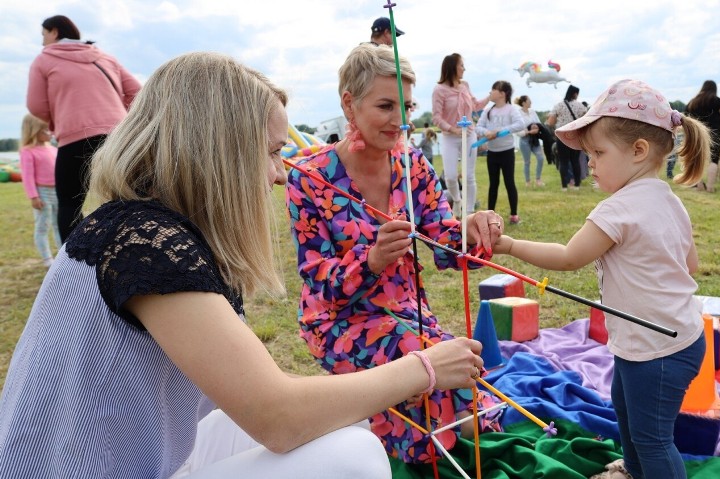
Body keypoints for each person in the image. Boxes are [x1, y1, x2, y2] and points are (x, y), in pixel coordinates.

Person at [0, 52, 488, 479]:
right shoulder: (148, 247)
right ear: (221, 151)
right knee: (354, 455)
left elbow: (445, 245)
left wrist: (475, 233)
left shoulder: (136, 228)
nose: (279, 174)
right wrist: (424, 367)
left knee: (346, 419)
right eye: (273, 152)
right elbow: (277, 418)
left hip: (139, 454)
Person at [286, 44, 504, 465]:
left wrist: (473, 229)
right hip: (339, 319)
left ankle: (424, 432)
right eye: (386, 105)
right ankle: (409, 444)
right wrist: (372, 259)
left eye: (408, 106)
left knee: (465, 375)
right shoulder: (309, 178)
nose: (401, 120)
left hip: (408, 312)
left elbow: (447, 243)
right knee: (425, 381)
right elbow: (318, 280)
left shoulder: (412, 164)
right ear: (349, 104)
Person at [494, 79, 710, 479]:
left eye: (598, 152)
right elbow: (691, 264)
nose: (589, 162)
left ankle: (642, 465)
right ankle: (632, 469)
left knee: (653, 439)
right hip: (673, 338)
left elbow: (568, 257)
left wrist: (508, 245)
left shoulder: (618, 209)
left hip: (656, 351)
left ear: (638, 151)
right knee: (624, 407)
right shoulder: (668, 199)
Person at [27, 15, 140, 242]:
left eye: (43, 35)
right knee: (130, 199)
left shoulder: (44, 60)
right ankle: (135, 254)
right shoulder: (105, 57)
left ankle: (74, 267)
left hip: (74, 139)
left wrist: (60, 120)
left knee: (69, 204)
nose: (42, 42)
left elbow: (36, 106)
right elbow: (137, 92)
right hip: (117, 138)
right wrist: (118, 118)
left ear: (55, 32)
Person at [432, 52, 490, 216]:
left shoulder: (465, 85)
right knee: (450, 176)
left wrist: (489, 98)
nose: (464, 69)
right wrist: (452, 129)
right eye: (461, 65)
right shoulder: (439, 90)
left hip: (469, 134)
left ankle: (469, 212)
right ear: (453, 67)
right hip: (450, 136)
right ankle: (457, 200)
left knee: (469, 175)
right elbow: (436, 117)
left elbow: (475, 105)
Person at [477, 81, 525, 224]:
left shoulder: (511, 109)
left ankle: (514, 215)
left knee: (509, 182)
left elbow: (520, 124)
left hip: (507, 152)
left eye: (493, 90)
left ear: (503, 94)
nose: (490, 92)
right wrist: (487, 132)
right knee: (493, 184)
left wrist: (501, 131)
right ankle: (489, 215)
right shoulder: (488, 110)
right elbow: (478, 127)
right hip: (492, 152)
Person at [18, 113, 61, 267]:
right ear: (35, 131)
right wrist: (33, 196)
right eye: (46, 130)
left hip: (57, 192)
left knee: (59, 224)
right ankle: (47, 259)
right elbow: (27, 176)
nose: (50, 132)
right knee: (43, 226)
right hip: (42, 193)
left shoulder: (54, 149)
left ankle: (62, 254)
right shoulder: (28, 151)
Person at [685, 80, 720, 192]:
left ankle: (699, 185)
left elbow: (686, 117)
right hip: (713, 133)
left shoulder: (693, 101)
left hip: (697, 134)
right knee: (713, 160)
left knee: (697, 161)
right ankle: (710, 187)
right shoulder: (716, 101)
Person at [546, 84, 588, 191]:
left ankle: (564, 186)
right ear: (575, 94)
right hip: (575, 135)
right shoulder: (580, 106)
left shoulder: (559, 105)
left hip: (561, 135)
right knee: (575, 161)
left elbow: (550, 122)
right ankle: (577, 185)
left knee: (563, 161)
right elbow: (586, 120)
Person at [515, 95, 547, 187]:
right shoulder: (518, 113)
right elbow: (517, 130)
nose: (531, 102)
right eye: (529, 100)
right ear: (524, 102)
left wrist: (536, 128)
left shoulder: (532, 112)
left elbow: (538, 123)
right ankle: (527, 182)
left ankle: (538, 180)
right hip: (524, 140)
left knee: (541, 158)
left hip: (535, 139)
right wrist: (528, 132)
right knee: (527, 162)